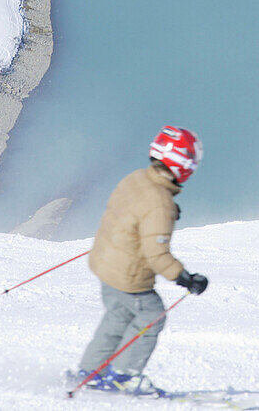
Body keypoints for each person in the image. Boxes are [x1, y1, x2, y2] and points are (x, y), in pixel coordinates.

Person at [71, 126, 208, 396]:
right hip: (128, 277)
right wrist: (185, 278)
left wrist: (162, 209)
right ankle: (124, 375)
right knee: (151, 315)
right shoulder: (160, 204)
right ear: (181, 163)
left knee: (118, 317)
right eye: (192, 161)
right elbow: (156, 255)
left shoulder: (137, 178)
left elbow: (127, 207)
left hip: (105, 263)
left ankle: (91, 371)